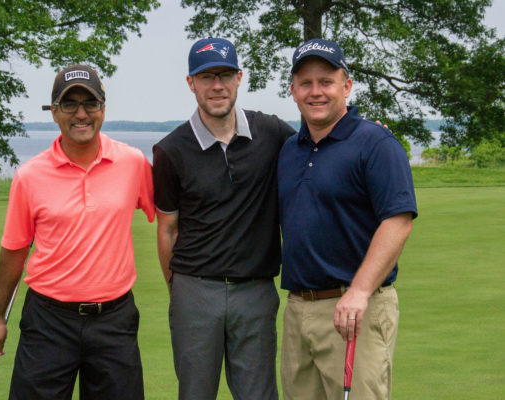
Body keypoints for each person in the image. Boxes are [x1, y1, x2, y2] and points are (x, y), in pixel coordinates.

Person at [0, 64, 155, 400]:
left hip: (114, 320)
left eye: (90, 103)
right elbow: (15, 251)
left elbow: (169, 217)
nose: (81, 114)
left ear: (103, 109)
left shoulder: (133, 163)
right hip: (48, 321)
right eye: (69, 104)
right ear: (54, 112)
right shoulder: (29, 176)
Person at [152, 37, 295, 400]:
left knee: (258, 395)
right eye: (206, 77)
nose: (217, 85)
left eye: (225, 75)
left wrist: (365, 133)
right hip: (195, 290)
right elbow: (168, 229)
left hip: (255, 291)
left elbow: (319, 147)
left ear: (239, 78)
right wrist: (180, 290)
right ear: (191, 83)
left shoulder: (272, 133)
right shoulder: (170, 150)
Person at [278, 38, 418, 400]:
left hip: (356, 310)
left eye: (326, 81)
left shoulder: (375, 143)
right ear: (293, 90)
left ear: (346, 85)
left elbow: (399, 220)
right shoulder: (289, 150)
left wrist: (358, 291)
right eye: (305, 83)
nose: (316, 92)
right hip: (297, 310)